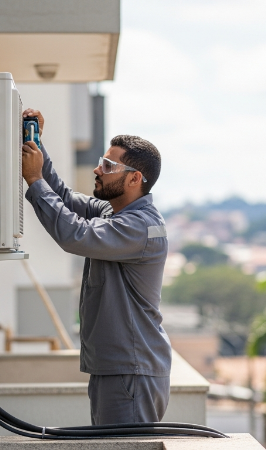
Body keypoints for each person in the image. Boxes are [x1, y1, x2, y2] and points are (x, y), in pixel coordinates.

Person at [20, 108, 172, 426]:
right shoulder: (113, 212)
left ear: (134, 178)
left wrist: (34, 178)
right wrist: (36, 147)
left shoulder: (140, 227)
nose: (97, 169)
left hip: (129, 373)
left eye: (107, 165)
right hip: (117, 369)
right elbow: (62, 197)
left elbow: (75, 234)